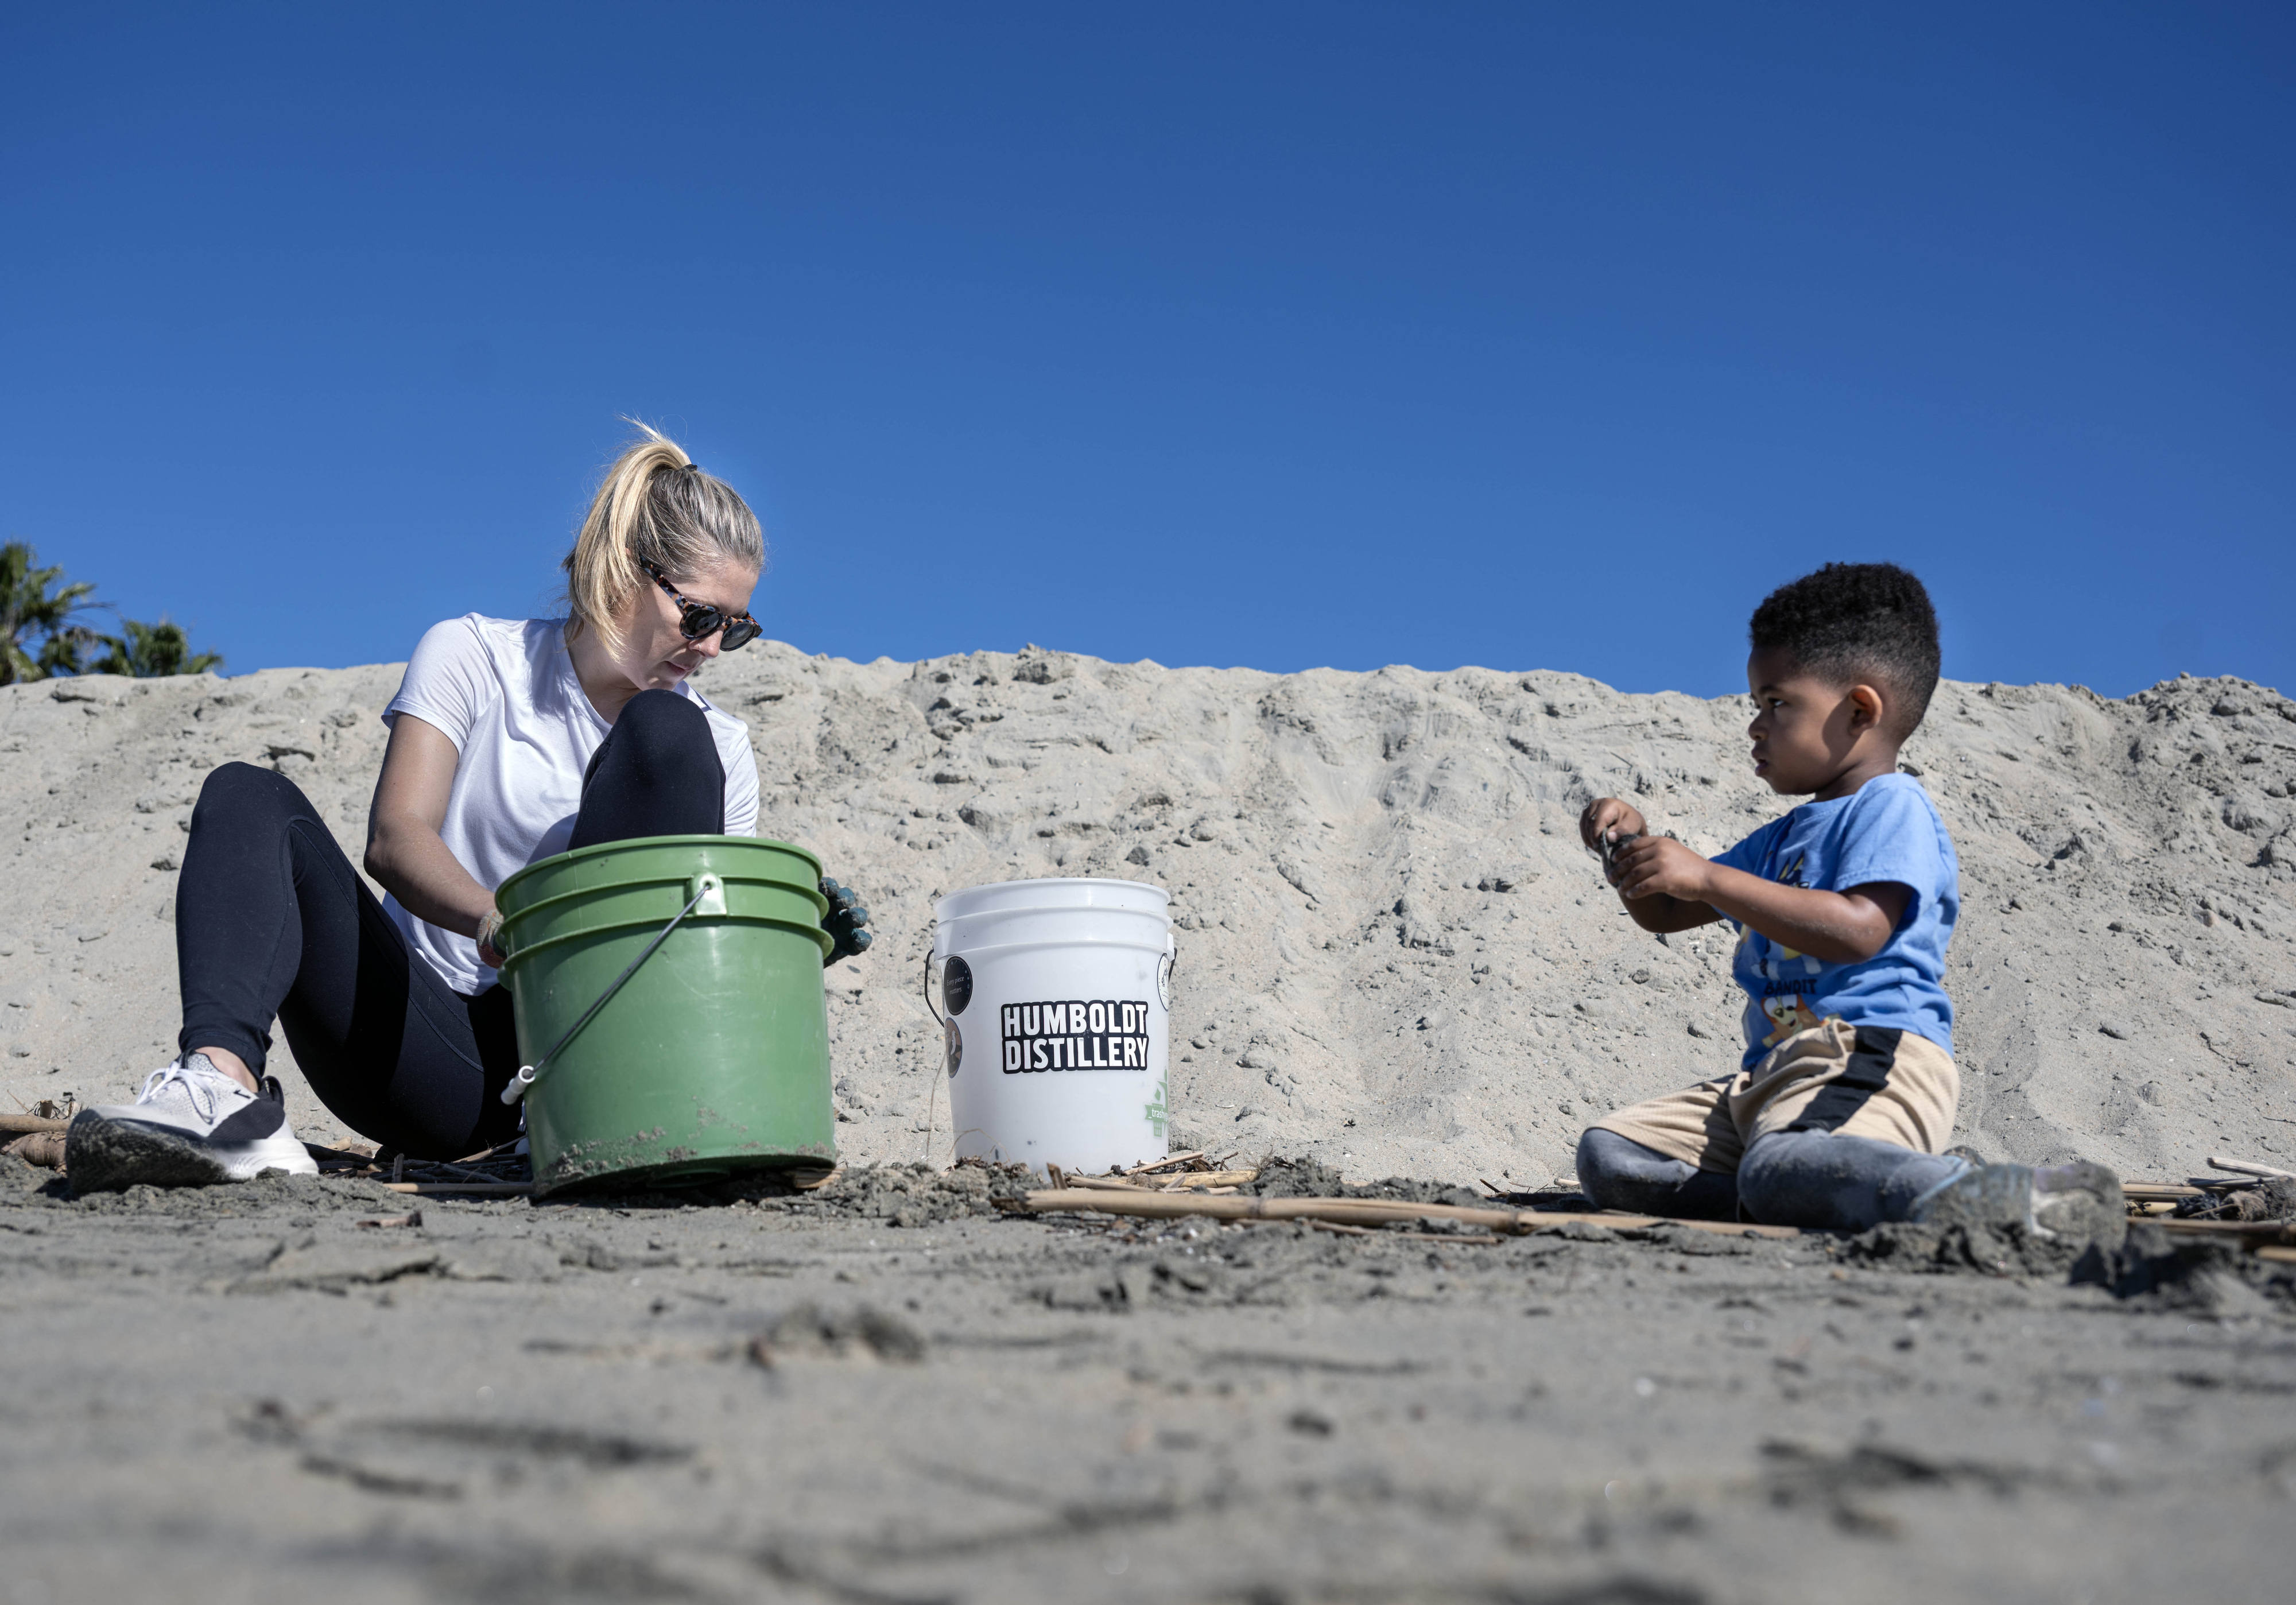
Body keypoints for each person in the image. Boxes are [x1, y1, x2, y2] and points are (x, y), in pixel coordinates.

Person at [67, 427, 870, 1191]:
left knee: (669, 731)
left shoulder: (718, 745)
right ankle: (217, 1092)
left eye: (737, 631)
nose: (708, 650)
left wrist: (783, 943)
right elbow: (394, 837)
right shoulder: (475, 655)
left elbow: (693, 953)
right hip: (428, 1051)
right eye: (699, 617)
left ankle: (585, 1124)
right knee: (249, 794)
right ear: (626, 567)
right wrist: (502, 922)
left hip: (589, 1061)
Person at [1570, 562, 2119, 1237]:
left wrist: (1707, 877)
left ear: (1859, 710)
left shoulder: (1891, 807)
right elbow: (1667, 911)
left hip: (1863, 1055)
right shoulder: (1780, 838)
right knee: (1615, 1158)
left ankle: (2017, 1200)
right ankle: (1821, 1187)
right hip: (1770, 1076)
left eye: (1776, 704)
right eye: (1754, 706)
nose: (1754, 726)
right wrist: (1630, 848)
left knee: (1783, 1169)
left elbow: (1860, 930)